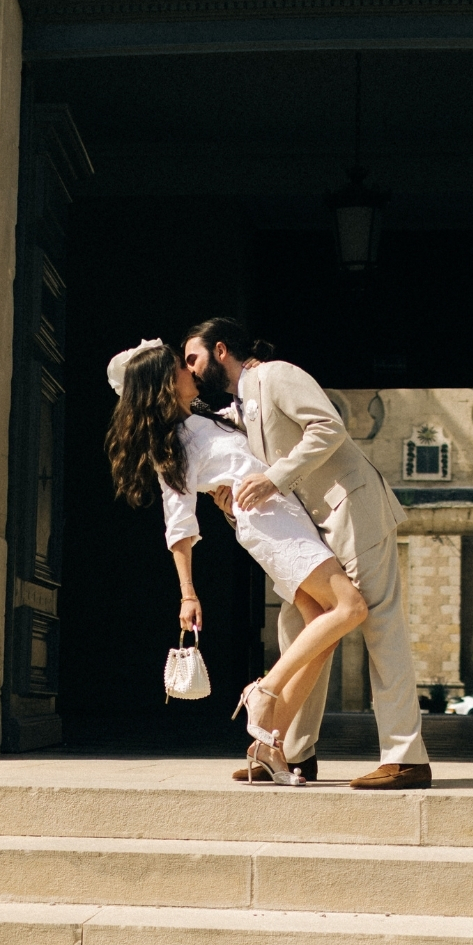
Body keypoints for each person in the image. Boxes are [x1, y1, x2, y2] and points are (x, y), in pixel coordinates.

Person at [184, 318, 432, 790]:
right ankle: (293, 754)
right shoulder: (237, 409)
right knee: (297, 628)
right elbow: (250, 481)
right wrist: (231, 503)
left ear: (220, 351)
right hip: (314, 530)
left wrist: (274, 478)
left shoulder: (276, 374)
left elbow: (327, 427)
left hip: (354, 509)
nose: (190, 370)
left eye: (193, 358)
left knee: (380, 626)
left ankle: (407, 758)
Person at [105, 339, 367, 784]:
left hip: (281, 514)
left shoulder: (212, 417)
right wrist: (188, 593)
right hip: (268, 524)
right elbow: (179, 526)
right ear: (165, 383)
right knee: (350, 608)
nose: (191, 370)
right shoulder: (171, 446)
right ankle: (263, 692)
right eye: (180, 367)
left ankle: (267, 744)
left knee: (324, 634)